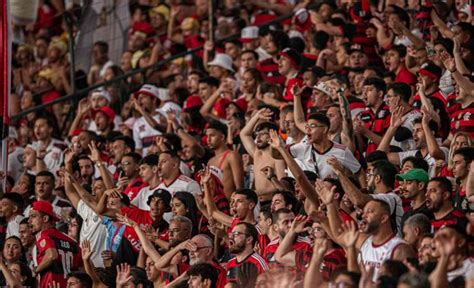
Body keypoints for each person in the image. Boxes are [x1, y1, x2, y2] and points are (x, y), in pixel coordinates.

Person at [28, 201, 82, 287]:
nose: (29, 221)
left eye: (33, 216)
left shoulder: (44, 234)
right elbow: (84, 266)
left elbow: (52, 255)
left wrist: (35, 270)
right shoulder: (71, 241)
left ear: (45, 219)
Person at [240, 108, 286, 203]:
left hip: (272, 202)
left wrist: (256, 193)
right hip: (258, 202)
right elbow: (244, 134)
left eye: (262, 134)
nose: (258, 137)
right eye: (257, 134)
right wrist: (257, 116)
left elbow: (282, 186)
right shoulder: (257, 153)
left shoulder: (277, 156)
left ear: (272, 135)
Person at [206, 121, 243, 199]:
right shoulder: (210, 161)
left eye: (212, 135)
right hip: (215, 206)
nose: (208, 139)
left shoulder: (232, 156)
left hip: (229, 206)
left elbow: (239, 187)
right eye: (207, 136)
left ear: (222, 137)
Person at [226, 222, 269, 287]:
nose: (231, 237)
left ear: (249, 239)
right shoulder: (230, 263)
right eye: (231, 234)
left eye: (236, 234)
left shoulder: (259, 263)